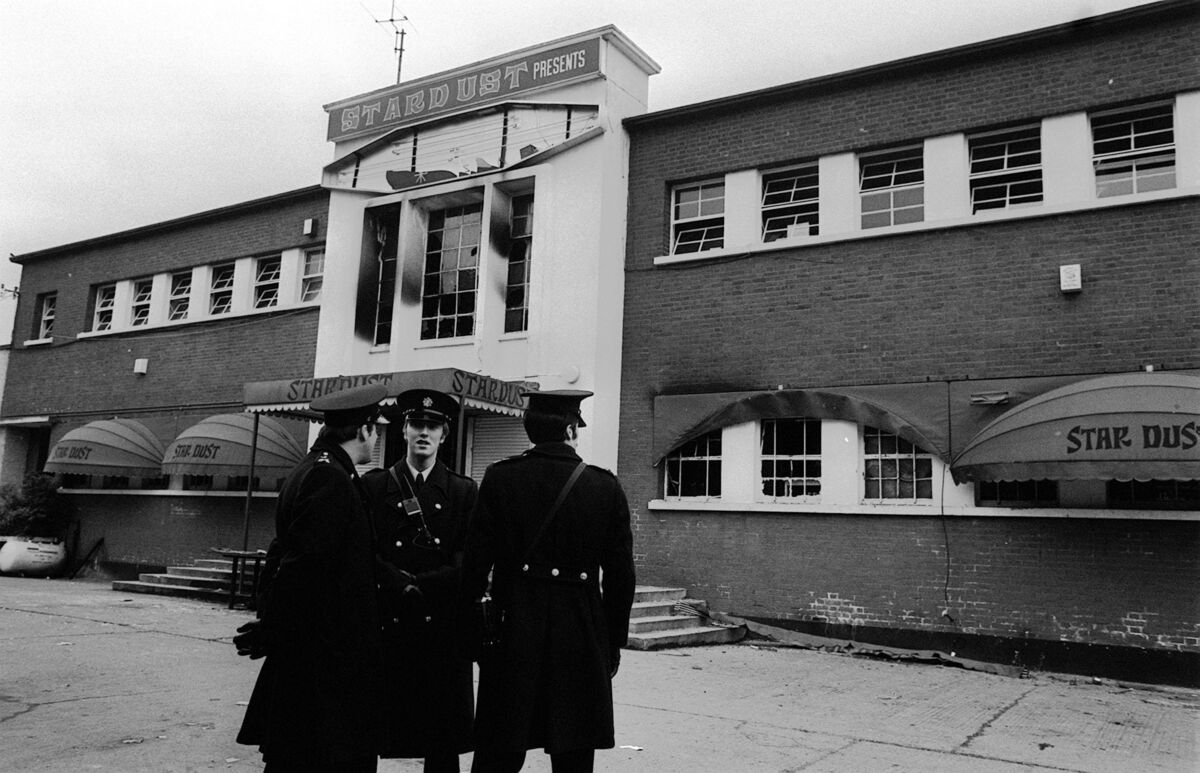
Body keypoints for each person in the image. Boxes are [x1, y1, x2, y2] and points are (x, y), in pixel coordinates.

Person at [462, 389, 636, 773]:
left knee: (498, 750)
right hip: (581, 633)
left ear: (530, 430)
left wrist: (475, 634)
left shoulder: (500, 478)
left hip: (512, 634)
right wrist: (611, 642)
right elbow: (622, 577)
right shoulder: (603, 486)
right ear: (571, 429)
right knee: (573, 751)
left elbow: (474, 567)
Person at [236, 383, 388, 772]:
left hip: (313, 654)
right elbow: (305, 565)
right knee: (322, 757)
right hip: (326, 660)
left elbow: (284, 555)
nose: (377, 437)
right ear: (364, 429)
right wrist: (272, 626)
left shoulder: (311, 469)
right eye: (377, 428)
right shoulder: (331, 479)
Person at [362, 389, 479, 773]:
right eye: (417, 425)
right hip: (388, 621)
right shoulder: (376, 486)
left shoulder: (463, 491)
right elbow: (364, 550)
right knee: (372, 731)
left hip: (440, 627)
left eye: (433, 426)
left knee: (441, 741)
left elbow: (469, 558)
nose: (424, 433)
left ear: (445, 435)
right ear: (404, 430)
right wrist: (396, 582)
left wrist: (423, 584)